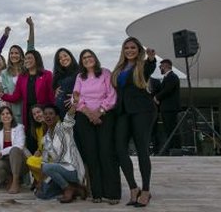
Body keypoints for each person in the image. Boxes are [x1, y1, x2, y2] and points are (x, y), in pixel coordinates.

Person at [111, 37, 157, 207]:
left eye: (133, 47)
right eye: (126, 48)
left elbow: (150, 67)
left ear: (138, 50)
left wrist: (151, 58)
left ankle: (145, 191)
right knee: (120, 149)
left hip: (142, 111)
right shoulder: (119, 68)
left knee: (142, 150)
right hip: (122, 112)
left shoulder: (143, 65)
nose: (129, 50)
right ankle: (133, 188)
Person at [73, 48, 119, 204]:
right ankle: (97, 193)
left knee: (106, 152)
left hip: (104, 116)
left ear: (95, 58)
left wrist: (99, 112)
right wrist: (89, 114)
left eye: (89, 56)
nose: (87, 59)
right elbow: (77, 98)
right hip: (85, 117)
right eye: (84, 58)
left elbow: (111, 96)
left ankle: (112, 193)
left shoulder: (105, 73)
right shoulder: (80, 77)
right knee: (91, 154)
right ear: (81, 62)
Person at [0, 47, 53, 153]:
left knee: (47, 142)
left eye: (29, 58)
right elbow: (16, 97)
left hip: (44, 115)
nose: (27, 61)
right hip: (29, 116)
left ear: (36, 59)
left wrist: (53, 114)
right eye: (25, 59)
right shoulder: (22, 77)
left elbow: (51, 96)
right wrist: (1, 95)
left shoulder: (47, 74)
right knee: (31, 141)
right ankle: (33, 167)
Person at [37, 104, 85, 203]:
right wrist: (40, 181)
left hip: (72, 170)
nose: (47, 116)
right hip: (59, 170)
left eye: (51, 114)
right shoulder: (46, 138)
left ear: (57, 116)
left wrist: (75, 103)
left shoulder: (64, 128)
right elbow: (44, 161)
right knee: (42, 194)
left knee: (47, 167)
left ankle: (68, 188)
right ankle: (75, 189)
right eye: (45, 114)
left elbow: (69, 116)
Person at [0, 105, 26, 193]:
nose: (5, 116)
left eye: (8, 113)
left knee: (14, 150)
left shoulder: (19, 127)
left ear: (12, 116)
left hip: (19, 160)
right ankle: (9, 178)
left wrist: (1, 152)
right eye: (2, 114)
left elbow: (19, 146)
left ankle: (15, 181)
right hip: (6, 160)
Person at [155, 58, 181, 154]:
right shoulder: (167, 77)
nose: (160, 68)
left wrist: (156, 97)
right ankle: (172, 148)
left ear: (166, 66)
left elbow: (167, 90)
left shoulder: (172, 77)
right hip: (166, 108)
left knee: (171, 128)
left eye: (161, 66)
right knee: (168, 128)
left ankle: (176, 148)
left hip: (170, 108)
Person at [52, 48, 79, 118]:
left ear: (70, 56)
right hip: (60, 112)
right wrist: (55, 92)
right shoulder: (58, 75)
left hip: (75, 111)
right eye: (60, 58)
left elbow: (87, 89)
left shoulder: (79, 71)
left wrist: (75, 98)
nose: (63, 59)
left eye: (65, 56)